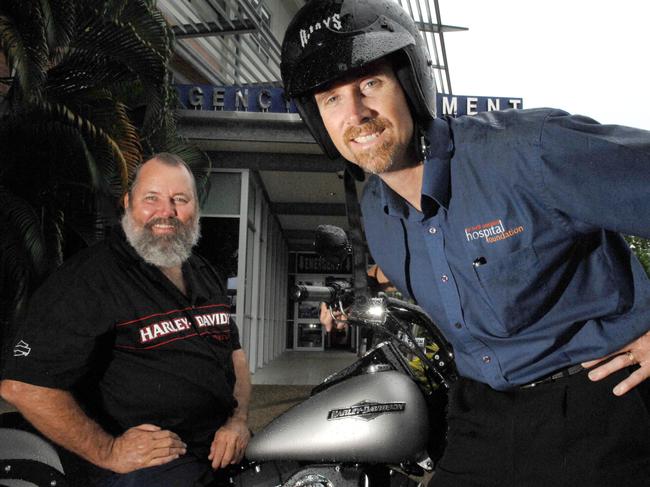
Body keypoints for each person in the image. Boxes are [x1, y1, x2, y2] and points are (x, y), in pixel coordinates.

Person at [280, 1, 650, 485]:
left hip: (600, 403)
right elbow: (440, 267)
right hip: (483, 414)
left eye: (370, 84)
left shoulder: (528, 151)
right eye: (330, 99)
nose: (356, 114)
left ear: (411, 84)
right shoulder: (377, 211)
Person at [0, 153, 251, 486]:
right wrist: (108, 450)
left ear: (195, 209)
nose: (167, 212)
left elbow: (235, 356)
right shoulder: (92, 278)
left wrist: (239, 420)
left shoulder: (203, 273)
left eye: (180, 199)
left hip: (222, 452)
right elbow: (23, 385)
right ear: (128, 202)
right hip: (154, 468)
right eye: (152, 198)